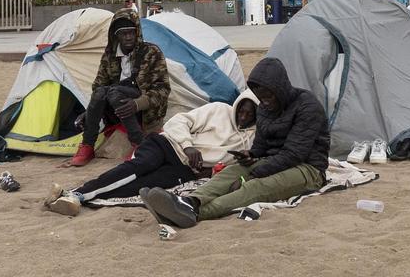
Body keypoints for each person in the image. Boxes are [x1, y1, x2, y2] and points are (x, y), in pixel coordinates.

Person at [141, 57, 330, 227]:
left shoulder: (307, 106)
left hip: (307, 168)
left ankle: (196, 213)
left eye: (269, 96)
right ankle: (190, 202)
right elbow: (261, 146)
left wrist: (253, 174)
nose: (266, 103)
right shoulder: (264, 107)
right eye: (261, 98)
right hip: (272, 160)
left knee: (256, 187)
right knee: (231, 172)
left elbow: (293, 154)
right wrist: (251, 156)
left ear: (280, 89)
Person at [43, 90, 258, 216]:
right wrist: (188, 145)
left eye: (250, 114)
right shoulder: (219, 110)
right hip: (167, 144)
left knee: (141, 187)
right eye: (242, 110)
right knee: (137, 168)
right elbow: (180, 121)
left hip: (185, 169)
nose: (244, 116)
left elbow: (227, 168)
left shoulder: (250, 138)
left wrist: (209, 173)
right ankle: (78, 193)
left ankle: (75, 199)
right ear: (237, 105)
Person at [67, 8, 170, 167]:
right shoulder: (109, 56)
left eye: (131, 32)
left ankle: (139, 144)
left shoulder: (151, 52)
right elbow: (99, 87)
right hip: (117, 108)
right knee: (103, 91)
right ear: (116, 35)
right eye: (123, 33)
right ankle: (87, 145)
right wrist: (89, 112)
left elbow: (162, 90)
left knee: (114, 92)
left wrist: (137, 104)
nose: (128, 37)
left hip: (144, 111)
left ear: (137, 32)